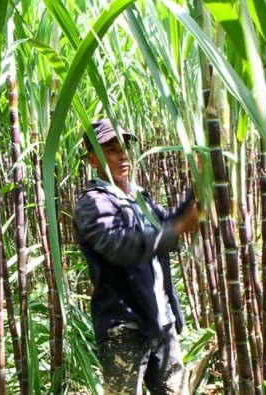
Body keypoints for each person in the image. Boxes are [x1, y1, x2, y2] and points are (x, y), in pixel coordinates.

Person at [72, 119, 199, 394]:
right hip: (124, 329)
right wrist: (176, 228)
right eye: (111, 149)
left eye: (125, 146)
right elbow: (120, 246)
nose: (122, 155)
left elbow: (169, 223)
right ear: (92, 159)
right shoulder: (92, 204)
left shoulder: (138, 196)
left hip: (161, 322)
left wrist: (197, 193)